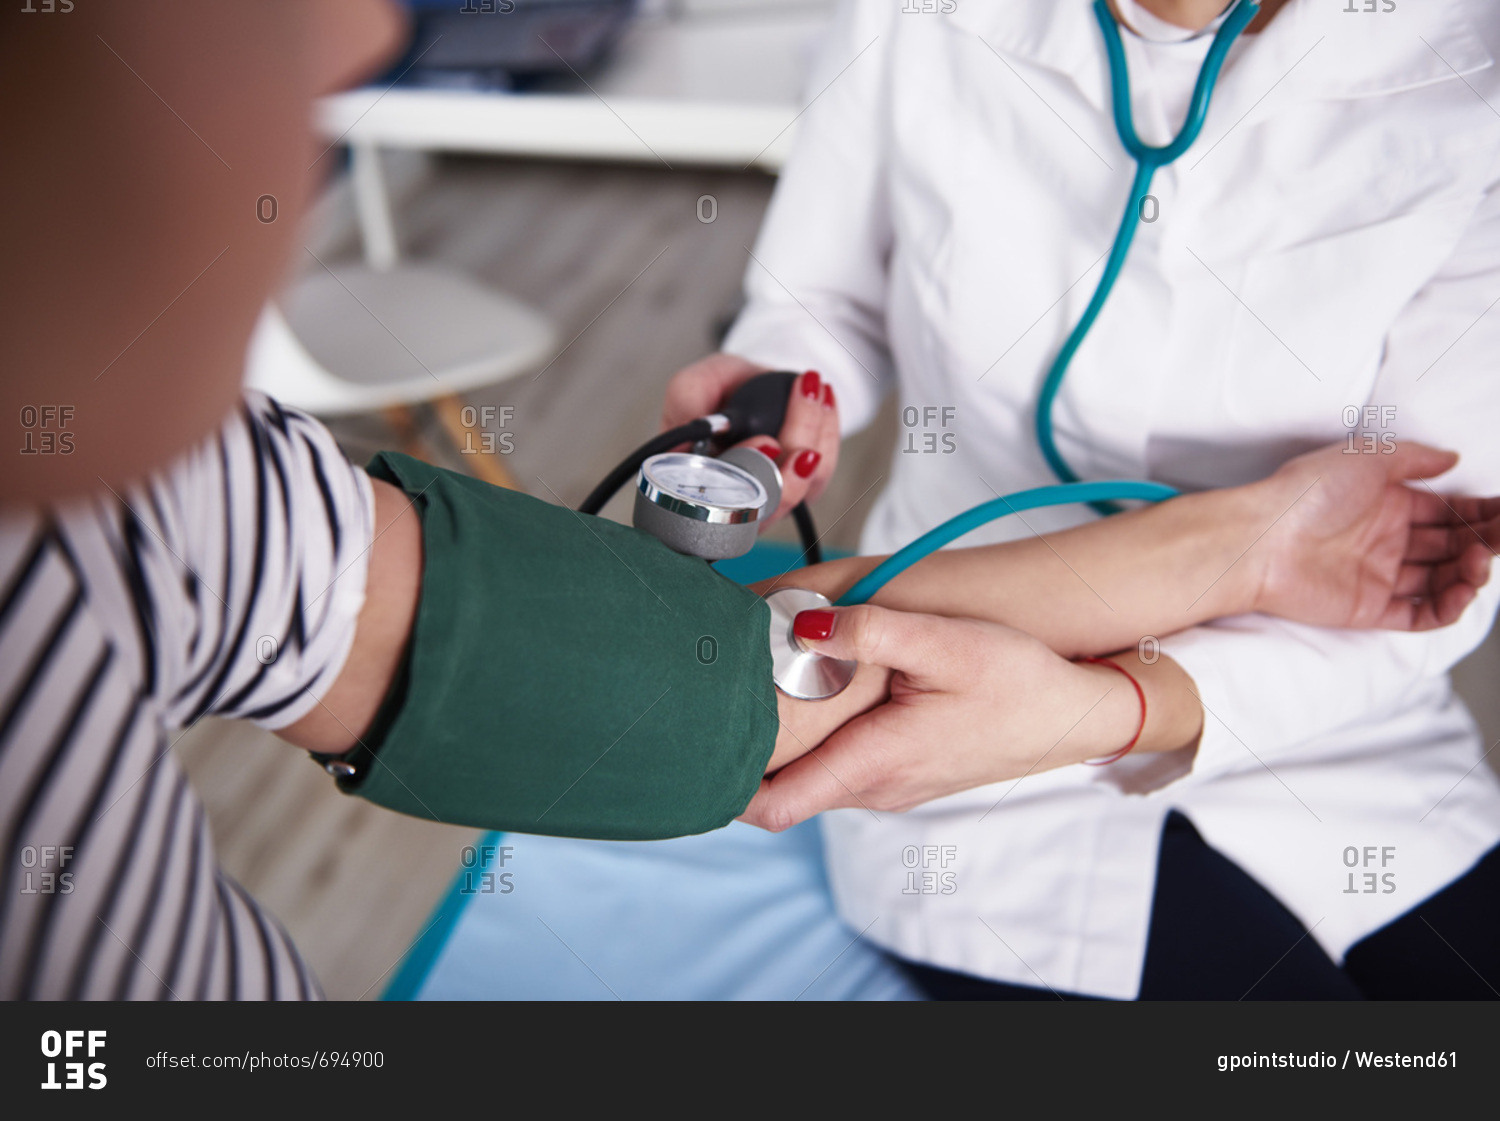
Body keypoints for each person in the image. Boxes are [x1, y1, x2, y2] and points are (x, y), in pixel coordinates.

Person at [1, 0, 1491, 1001]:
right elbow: (704, 668)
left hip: (1317, 727)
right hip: (964, 767)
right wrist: (1249, 537)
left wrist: (1140, 682)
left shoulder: (187, 504)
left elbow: (1425, 576)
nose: (366, 35)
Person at [662, 0, 1500, 997]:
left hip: (1312, 704)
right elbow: (817, 302)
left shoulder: (1468, 63)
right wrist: (781, 398)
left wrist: (1112, 704)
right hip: (942, 711)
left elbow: (1442, 557)